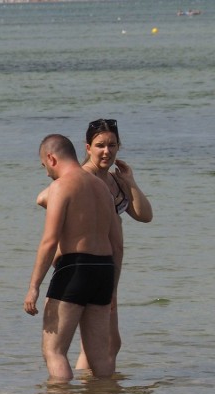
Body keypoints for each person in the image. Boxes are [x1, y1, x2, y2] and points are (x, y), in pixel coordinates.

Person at [24, 134, 123, 383]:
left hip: (75, 269)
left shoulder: (61, 187)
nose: (47, 173)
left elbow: (49, 240)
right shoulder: (103, 187)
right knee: (100, 357)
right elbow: (118, 245)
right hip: (104, 269)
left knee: (54, 351)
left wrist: (33, 287)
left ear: (51, 158)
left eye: (44, 166)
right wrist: (112, 288)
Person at [75, 119, 152, 369]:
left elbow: (144, 215)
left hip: (108, 269)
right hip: (90, 265)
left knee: (108, 342)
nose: (106, 151)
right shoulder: (80, 179)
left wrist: (130, 182)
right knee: (100, 342)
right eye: (100, 146)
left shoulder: (115, 181)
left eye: (112, 145)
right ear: (87, 147)